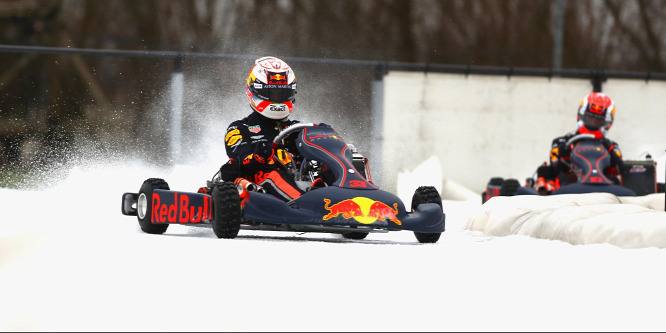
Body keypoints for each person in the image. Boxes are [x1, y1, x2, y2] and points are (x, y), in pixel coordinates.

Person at [218, 56, 304, 202]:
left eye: (283, 94)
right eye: (273, 93)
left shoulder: (297, 128)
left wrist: (324, 136)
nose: (278, 99)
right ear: (254, 91)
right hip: (261, 184)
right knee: (273, 174)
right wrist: (258, 156)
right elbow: (239, 163)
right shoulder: (239, 128)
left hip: (301, 179)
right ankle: (306, 205)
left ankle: (349, 198)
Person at [536, 92, 624, 194]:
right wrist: (565, 152)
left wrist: (608, 148)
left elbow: (618, 169)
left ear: (607, 123)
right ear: (581, 116)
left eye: (598, 121)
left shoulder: (611, 146)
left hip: (603, 188)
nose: (593, 123)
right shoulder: (562, 142)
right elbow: (557, 166)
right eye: (590, 119)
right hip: (570, 188)